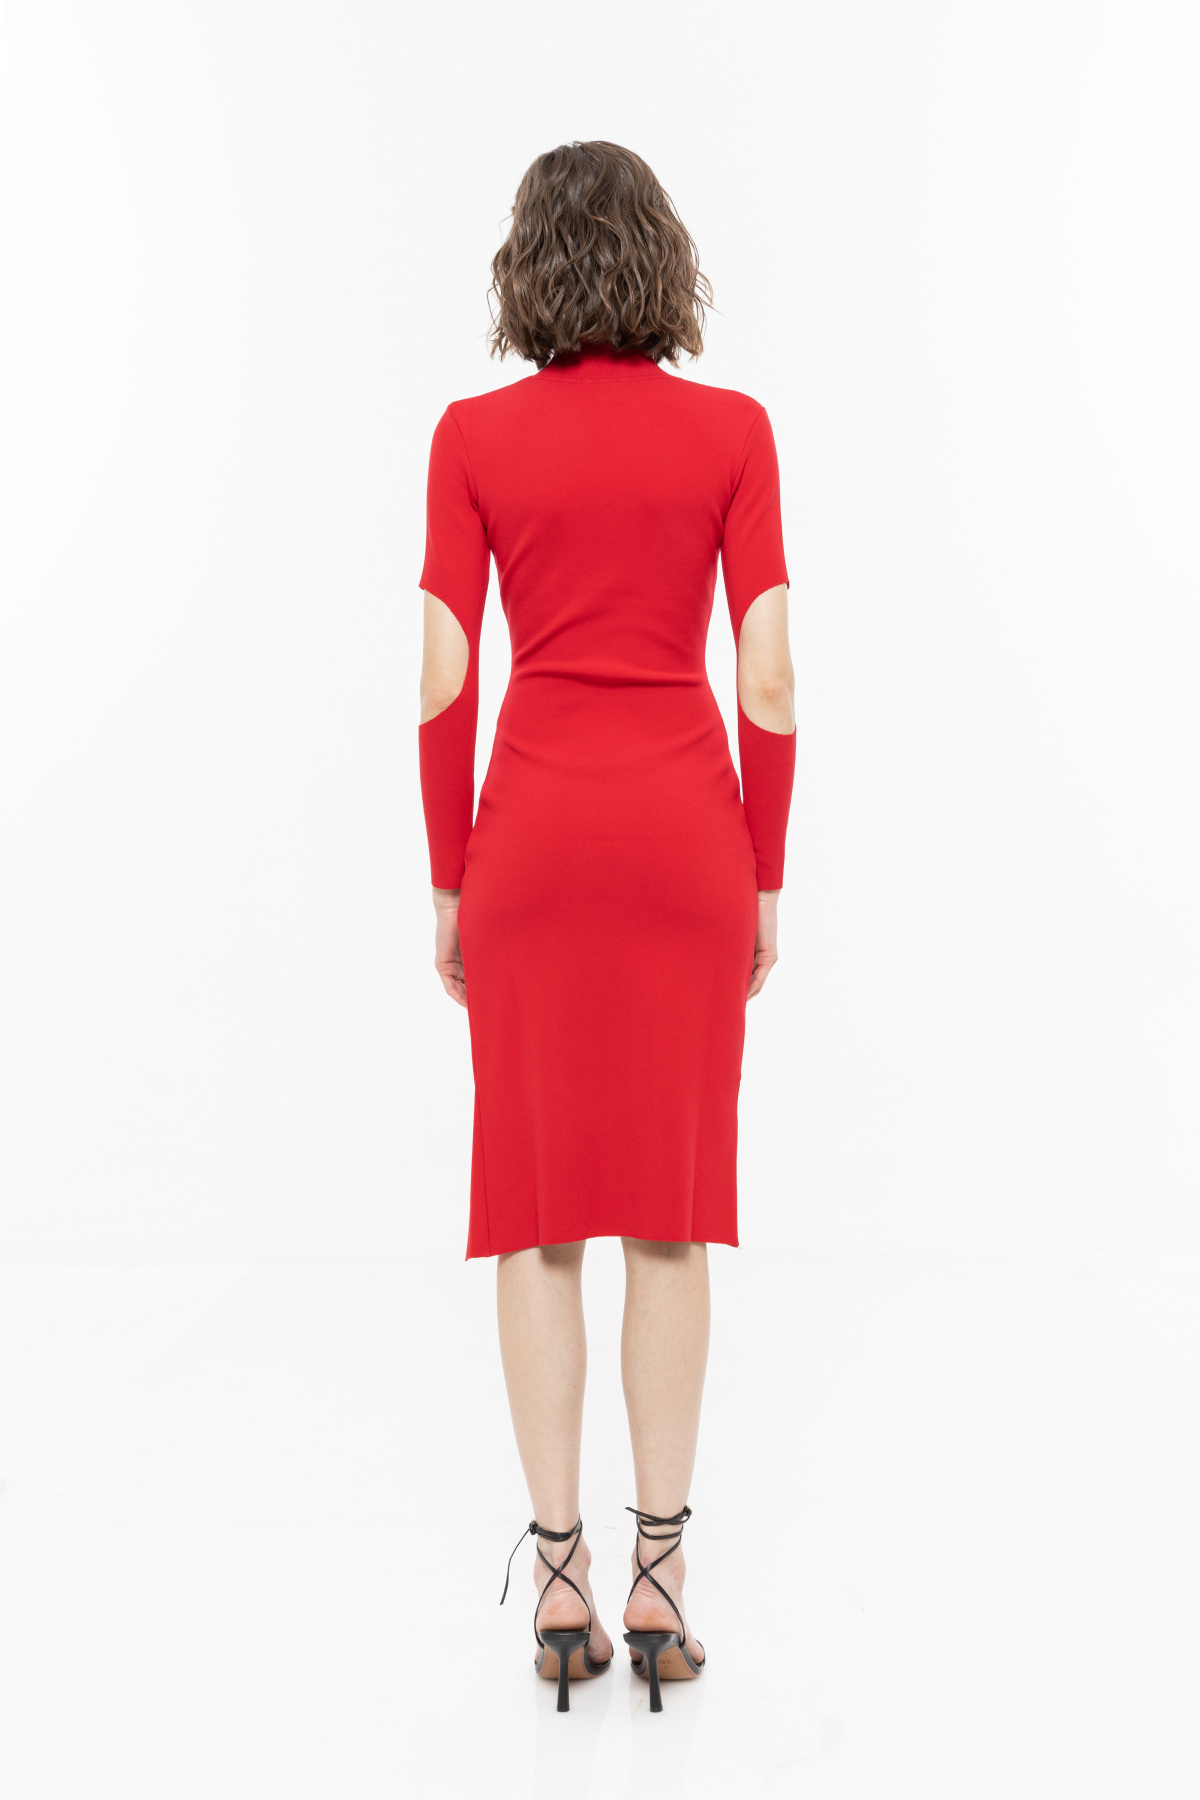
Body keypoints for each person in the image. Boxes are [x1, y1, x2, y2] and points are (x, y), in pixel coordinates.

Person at [416, 140, 795, 1713]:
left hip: (534, 842)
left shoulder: (472, 438)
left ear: (528, 269)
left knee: (539, 1213)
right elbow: (767, 672)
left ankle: (559, 1580)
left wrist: (451, 874)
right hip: (684, 839)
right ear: (663, 261)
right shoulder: (733, 431)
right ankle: (661, 1576)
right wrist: (763, 869)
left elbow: (445, 674)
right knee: (669, 1212)